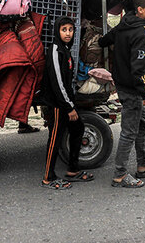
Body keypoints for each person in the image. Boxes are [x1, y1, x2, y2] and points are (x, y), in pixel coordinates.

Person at [99, 0, 145, 189]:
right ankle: (120, 174)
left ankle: (142, 165)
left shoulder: (124, 25)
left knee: (143, 123)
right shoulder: (141, 33)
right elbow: (138, 69)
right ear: (140, 10)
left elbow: (104, 40)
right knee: (129, 131)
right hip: (133, 89)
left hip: (123, 85)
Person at [40, 16, 93, 190]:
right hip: (58, 104)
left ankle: (72, 169)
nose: (68, 33)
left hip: (66, 101)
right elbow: (57, 82)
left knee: (78, 129)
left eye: (70, 30)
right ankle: (48, 177)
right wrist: (69, 106)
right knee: (54, 139)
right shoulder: (55, 50)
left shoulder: (65, 49)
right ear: (58, 31)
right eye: (64, 30)